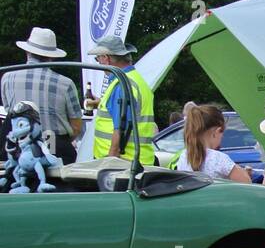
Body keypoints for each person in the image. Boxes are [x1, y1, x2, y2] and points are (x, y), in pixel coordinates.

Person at [0, 28, 81, 164]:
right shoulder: (65, 83)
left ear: (27, 51)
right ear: (52, 56)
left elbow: (10, 112)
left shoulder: (7, 78)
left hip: (18, 143)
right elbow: (76, 127)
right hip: (53, 141)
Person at [88, 35, 155, 165]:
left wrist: (110, 161)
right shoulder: (136, 80)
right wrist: (101, 103)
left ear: (106, 58)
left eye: (98, 59)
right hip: (139, 161)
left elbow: (120, 128)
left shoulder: (121, 84)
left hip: (123, 164)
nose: (99, 63)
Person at [175, 103, 251, 183]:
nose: (222, 138)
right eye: (222, 134)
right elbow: (247, 183)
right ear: (216, 132)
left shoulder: (183, 157)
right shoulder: (219, 159)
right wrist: (245, 173)